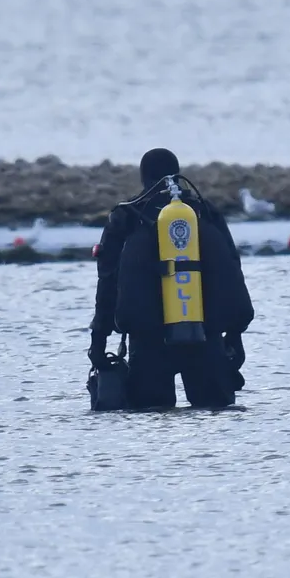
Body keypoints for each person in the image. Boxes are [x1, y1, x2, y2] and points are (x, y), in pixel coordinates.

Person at [87, 148, 254, 410]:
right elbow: (230, 271)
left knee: (151, 415)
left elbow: (107, 282)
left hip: (148, 341)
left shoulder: (127, 216)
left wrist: (98, 343)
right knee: (215, 412)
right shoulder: (203, 212)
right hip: (204, 336)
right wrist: (234, 335)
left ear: (144, 178)